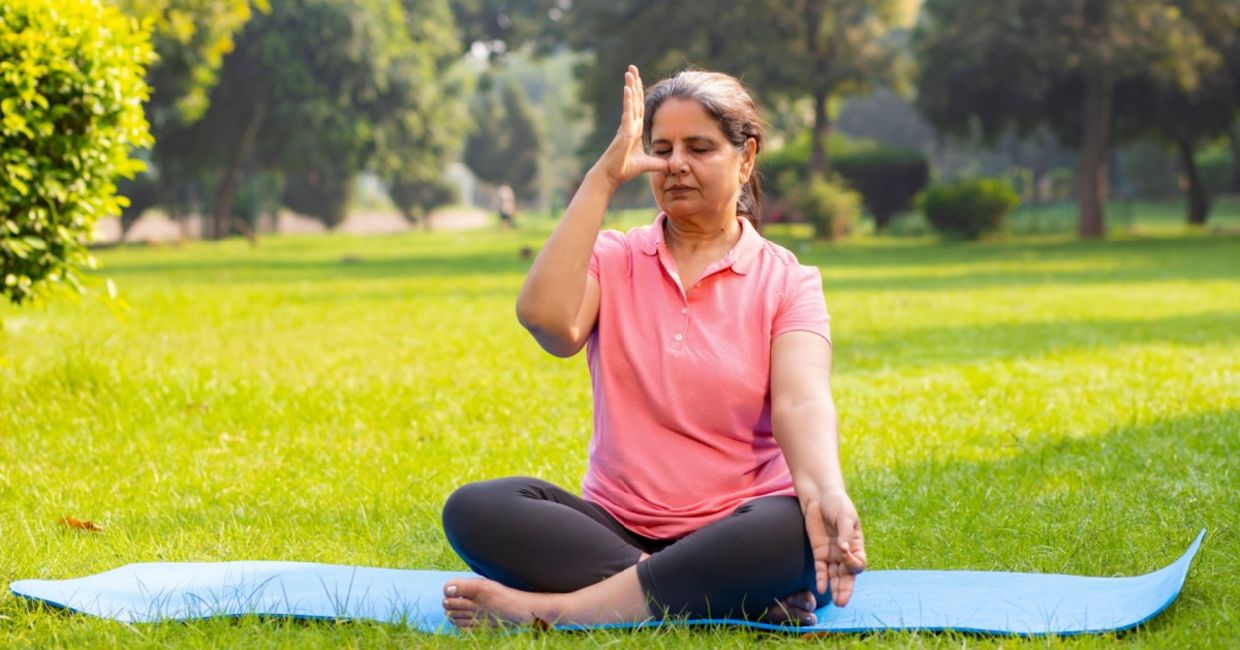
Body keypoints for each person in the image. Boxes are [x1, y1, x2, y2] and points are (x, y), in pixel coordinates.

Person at [440, 65, 866, 630]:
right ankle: (711, 595)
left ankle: (558, 612)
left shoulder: (788, 281)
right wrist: (601, 180)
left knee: (793, 532)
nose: (676, 164)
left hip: (738, 528)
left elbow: (802, 402)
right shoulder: (615, 258)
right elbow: (548, 323)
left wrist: (824, 494)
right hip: (615, 526)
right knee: (475, 509)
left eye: (700, 147)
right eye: (661, 149)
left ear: (747, 158)